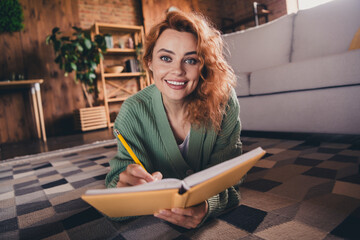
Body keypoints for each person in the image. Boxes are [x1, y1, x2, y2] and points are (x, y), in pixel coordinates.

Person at [105, 10, 242, 229]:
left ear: (203, 65)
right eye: (166, 58)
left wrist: (208, 205)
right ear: (150, 62)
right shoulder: (132, 112)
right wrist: (123, 192)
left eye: (190, 60)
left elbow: (231, 181)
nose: (177, 70)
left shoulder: (224, 102)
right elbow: (114, 194)